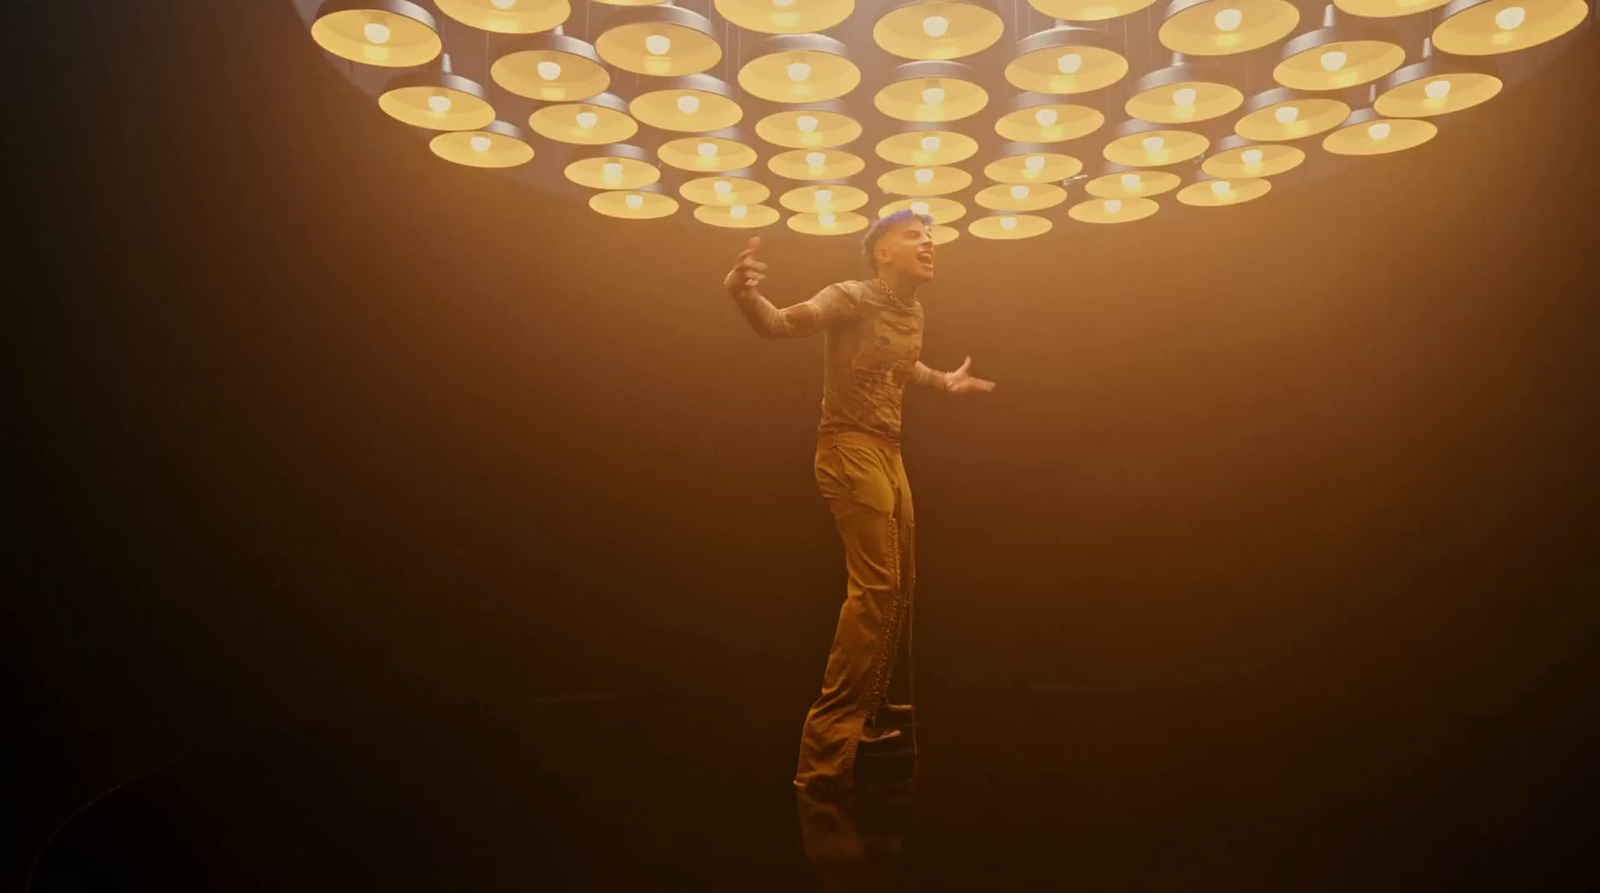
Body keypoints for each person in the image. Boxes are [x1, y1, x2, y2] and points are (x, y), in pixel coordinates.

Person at [722, 210, 996, 797]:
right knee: (876, 590)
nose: (928, 244)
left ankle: (876, 725)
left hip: (890, 455)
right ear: (881, 254)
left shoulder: (912, 311)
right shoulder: (848, 296)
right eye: (913, 236)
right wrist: (743, 293)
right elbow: (776, 323)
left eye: (931, 236)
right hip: (848, 451)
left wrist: (944, 380)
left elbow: (898, 366)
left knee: (901, 586)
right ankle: (824, 757)